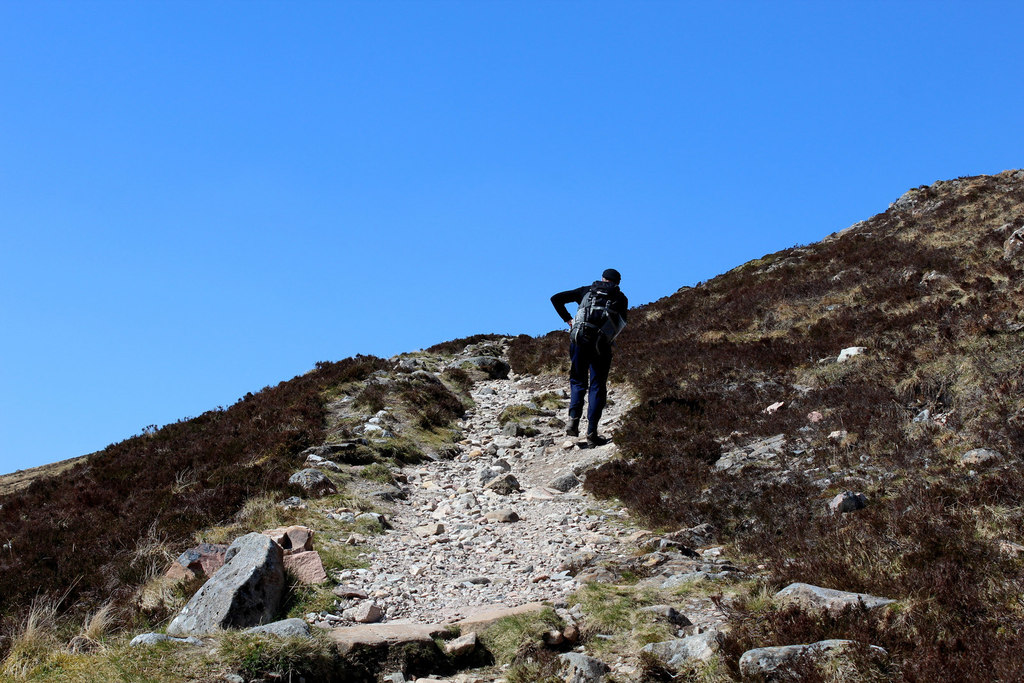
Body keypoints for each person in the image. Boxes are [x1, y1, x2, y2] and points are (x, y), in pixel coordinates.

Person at [550, 269, 628, 446]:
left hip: (579, 340)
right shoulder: (620, 298)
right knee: (597, 386)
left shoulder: (587, 290)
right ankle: (592, 432)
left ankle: (573, 419)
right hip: (601, 346)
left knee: (577, 381)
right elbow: (621, 324)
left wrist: (568, 319)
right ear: (617, 283)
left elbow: (555, 298)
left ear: (602, 278)